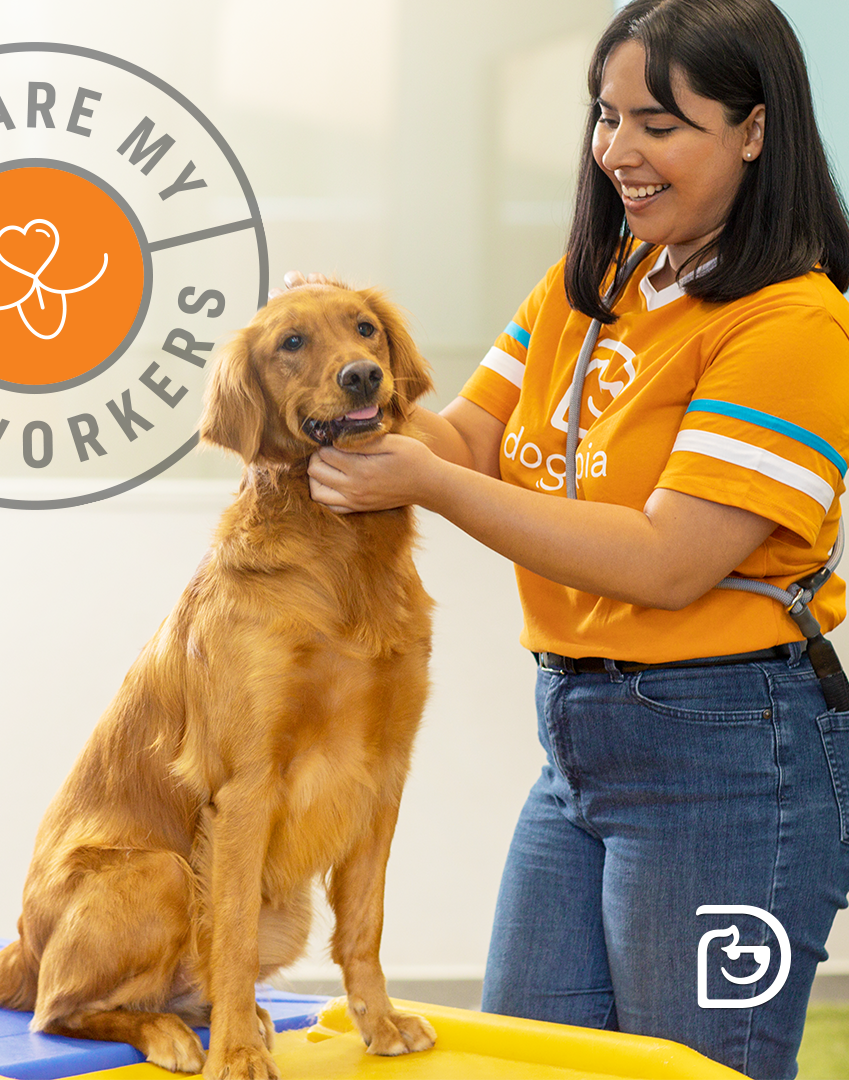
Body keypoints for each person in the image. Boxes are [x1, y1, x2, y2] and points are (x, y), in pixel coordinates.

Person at [294, 0, 849, 1076]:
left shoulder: (794, 323)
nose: (619, 152)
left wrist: (427, 485)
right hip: (580, 741)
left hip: (732, 756)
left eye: (659, 122)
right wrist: (340, 358)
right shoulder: (590, 288)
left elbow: (668, 561)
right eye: (605, 117)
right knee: (524, 1060)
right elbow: (462, 438)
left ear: (755, 129)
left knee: (697, 1067)